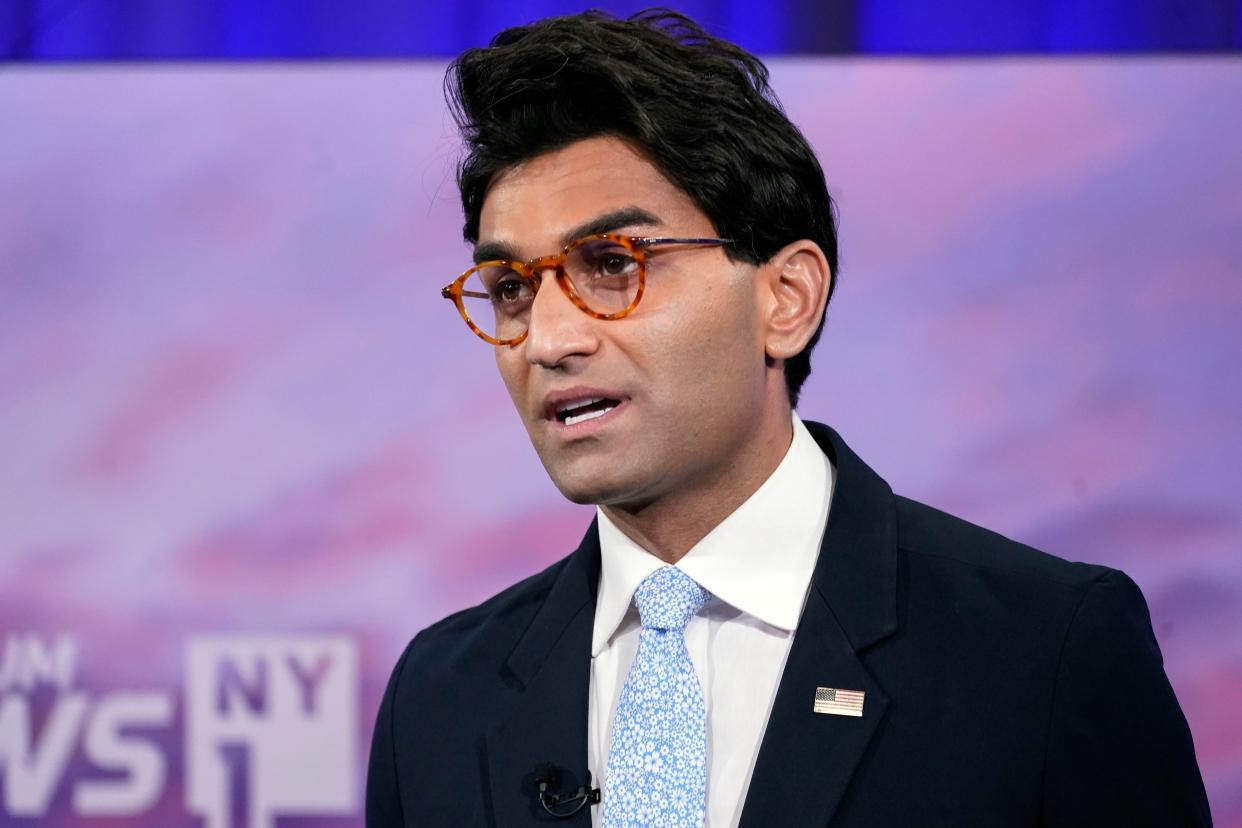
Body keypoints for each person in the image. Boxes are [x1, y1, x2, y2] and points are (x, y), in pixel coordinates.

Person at [366, 9, 1211, 827]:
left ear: (787, 298)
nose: (547, 339)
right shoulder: (440, 698)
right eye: (513, 288)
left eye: (612, 264)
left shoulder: (1044, 653)